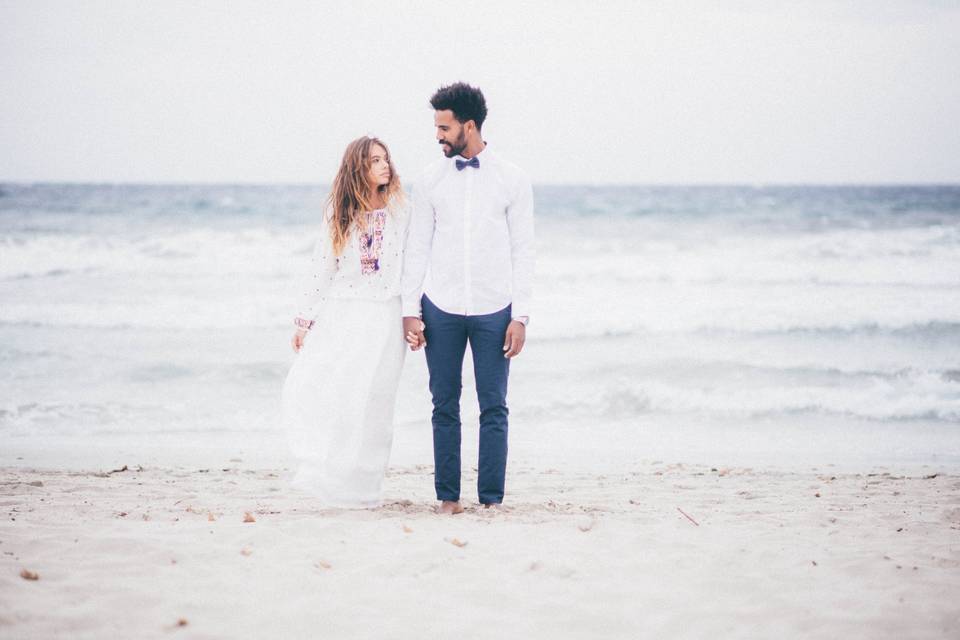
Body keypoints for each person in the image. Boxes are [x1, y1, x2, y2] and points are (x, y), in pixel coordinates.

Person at [401, 82, 536, 515]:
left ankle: (492, 501)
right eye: (437, 127)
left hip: (495, 309)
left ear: (469, 126)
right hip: (439, 307)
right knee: (444, 405)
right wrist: (409, 310)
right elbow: (416, 246)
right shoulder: (429, 180)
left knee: (494, 406)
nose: (438, 135)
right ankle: (448, 499)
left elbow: (524, 250)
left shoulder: (513, 179)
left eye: (444, 127)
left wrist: (522, 315)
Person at [281, 135, 409, 508]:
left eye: (386, 159)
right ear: (358, 168)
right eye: (374, 161)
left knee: (376, 402)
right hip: (344, 312)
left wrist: (413, 315)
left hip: (386, 314)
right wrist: (305, 321)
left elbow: (414, 266)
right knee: (335, 394)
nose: (385, 166)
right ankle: (329, 479)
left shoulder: (402, 210)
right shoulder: (339, 214)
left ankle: (365, 490)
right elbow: (322, 268)